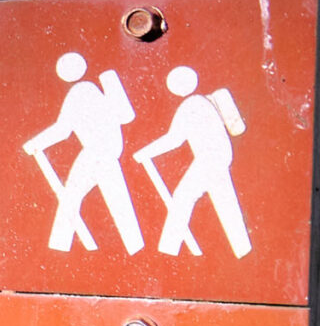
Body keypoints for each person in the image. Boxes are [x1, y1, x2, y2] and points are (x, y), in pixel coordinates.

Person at [23, 52, 144, 254]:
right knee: (117, 202)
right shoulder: (94, 91)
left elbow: (63, 129)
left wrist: (35, 144)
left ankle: (59, 249)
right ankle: (136, 248)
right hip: (109, 153)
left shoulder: (80, 93)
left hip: (95, 154)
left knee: (72, 197)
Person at [133, 65, 252, 257]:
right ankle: (243, 249)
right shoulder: (205, 100)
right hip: (219, 157)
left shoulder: (190, 106)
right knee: (224, 202)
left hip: (208, 159)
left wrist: (145, 153)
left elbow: (174, 139)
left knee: (183, 197)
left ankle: (168, 249)